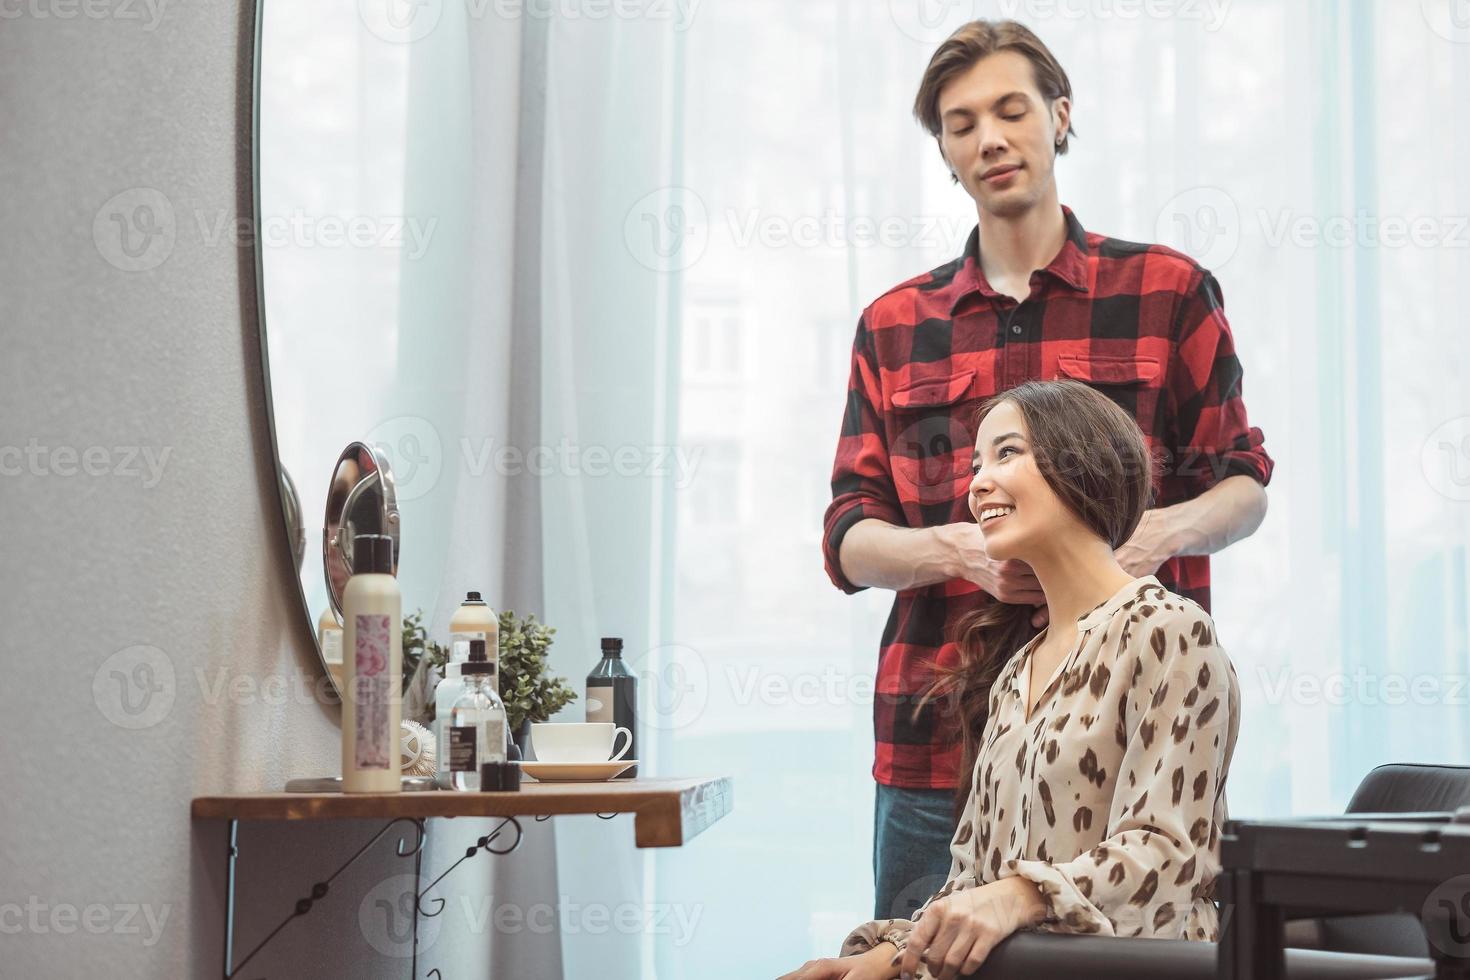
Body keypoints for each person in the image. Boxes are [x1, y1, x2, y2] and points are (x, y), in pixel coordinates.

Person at [820, 20, 1272, 922]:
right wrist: (951, 549)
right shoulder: (893, 323)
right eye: (960, 124)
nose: (989, 138)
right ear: (945, 154)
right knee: (913, 952)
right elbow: (848, 536)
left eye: (1011, 110)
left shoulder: (1169, 291)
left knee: (1117, 955)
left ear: (1060, 118)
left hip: (1121, 726)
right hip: (935, 738)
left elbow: (1243, 480)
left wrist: (1158, 534)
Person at [785, 380, 1240, 980]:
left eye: (1007, 453)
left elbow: (1166, 856)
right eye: (976, 463)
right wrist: (884, 958)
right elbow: (973, 884)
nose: (977, 484)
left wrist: (1022, 896)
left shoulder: (1170, 632)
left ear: (1084, 462)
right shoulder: (1016, 674)